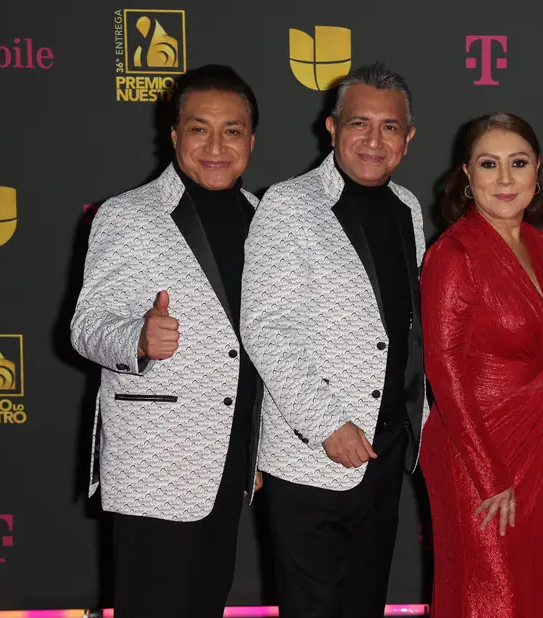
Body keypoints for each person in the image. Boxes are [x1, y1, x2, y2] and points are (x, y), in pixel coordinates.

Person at [70, 64, 263, 618]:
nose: (216, 146)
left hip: (230, 455)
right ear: (175, 134)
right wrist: (137, 337)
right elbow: (86, 326)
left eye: (232, 130)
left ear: (251, 140)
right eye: (199, 129)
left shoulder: (266, 219)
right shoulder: (127, 215)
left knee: (207, 602)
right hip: (155, 457)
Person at [241, 63, 428, 618]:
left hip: (386, 450)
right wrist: (328, 424)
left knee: (364, 603)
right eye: (358, 123)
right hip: (312, 453)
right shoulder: (288, 204)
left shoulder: (408, 207)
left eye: (389, 127)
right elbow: (266, 326)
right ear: (331, 127)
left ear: (408, 138)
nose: (374, 140)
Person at [420, 113, 543, 617]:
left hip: (536, 440)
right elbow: (443, 369)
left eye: (518, 163)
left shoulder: (534, 242)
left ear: (537, 170)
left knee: (528, 586)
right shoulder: (453, 253)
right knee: (488, 594)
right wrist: (489, 474)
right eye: (489, 164)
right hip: (475, 446)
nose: (505, 178)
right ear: (467, 174)